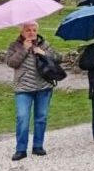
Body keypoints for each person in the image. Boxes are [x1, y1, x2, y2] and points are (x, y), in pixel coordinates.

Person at [4, 21, 61, 160]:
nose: (32, 33)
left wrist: (43, 53)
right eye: (28, 30)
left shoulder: (44, 44)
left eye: (34, 30)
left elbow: (59, 58)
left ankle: (38, 146)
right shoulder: (14, 45)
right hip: (23, 88)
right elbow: (11, 63)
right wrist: (24, 49)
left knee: (41, 117)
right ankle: (21, 149)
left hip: (44, 87)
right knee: (22, 118)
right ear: (22, 32)